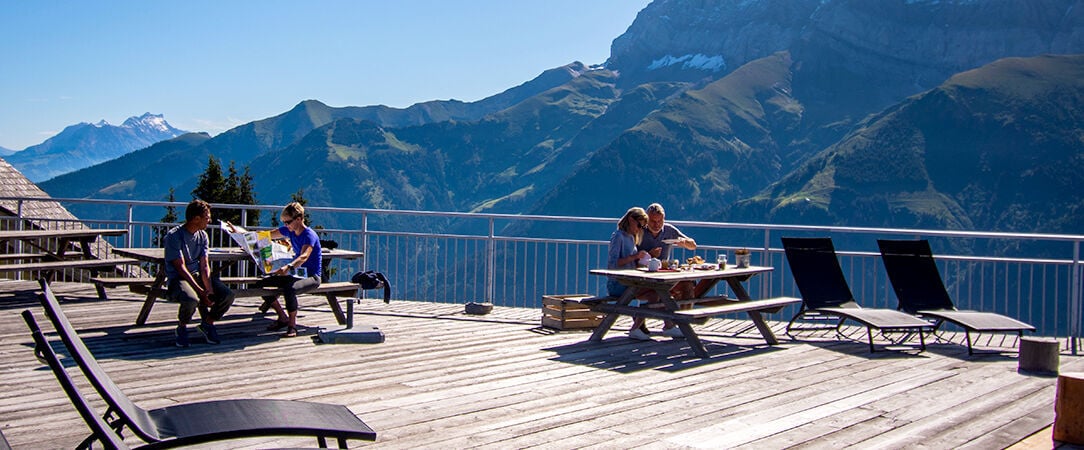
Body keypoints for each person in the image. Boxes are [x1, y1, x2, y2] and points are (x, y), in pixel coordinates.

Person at [163, 199, 235, 347]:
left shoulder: (202, 236)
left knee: (227, 295)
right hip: (179, 278)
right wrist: (200, 292)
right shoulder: (174, 236)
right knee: (191, 299)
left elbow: (204, 265)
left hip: (197, 275)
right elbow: (180, 268)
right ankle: (182, 327)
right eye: (207, 217)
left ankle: (208, 323)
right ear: (196, 218)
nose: (209, 220)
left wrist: (208, 289)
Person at [261, 202, 322, 338]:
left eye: (288, 222)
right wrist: (241, 234)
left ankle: (292, 325)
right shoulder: (290, 230)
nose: (286, 225)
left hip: (312, 276)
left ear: (299, 219)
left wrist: (289, 267)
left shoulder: (309, 235)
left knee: (290, 289)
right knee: (262, 284)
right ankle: (282, 317)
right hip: (296, 273)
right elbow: (267, 235)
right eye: (284, 222)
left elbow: (304, 255)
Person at [638, 202, 698, 338]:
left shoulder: (669, 230)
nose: (657, 224)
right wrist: (649, 255)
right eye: (653, 221)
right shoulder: (640, 231)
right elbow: (631, 256)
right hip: (642, 276)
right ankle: (667, 324)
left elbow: (693, 245)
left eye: (660, 221)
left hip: (665, 274)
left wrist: (684, 243)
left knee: (688, 285)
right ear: (647, 220)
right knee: (659, 292)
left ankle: (682, 323)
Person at [607, 207, 658, 341]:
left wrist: (645, 260)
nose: (640, 229)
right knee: (653, 294)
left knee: (655, 294)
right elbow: (614, 263)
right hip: (617, 283)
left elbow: (631, 262)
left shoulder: (631, 237)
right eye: (639, 225)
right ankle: (637, 328)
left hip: (629, 281)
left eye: (643, 226)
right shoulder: (618, 236)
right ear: (631, 219)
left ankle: (637, 327)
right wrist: (635, 257)